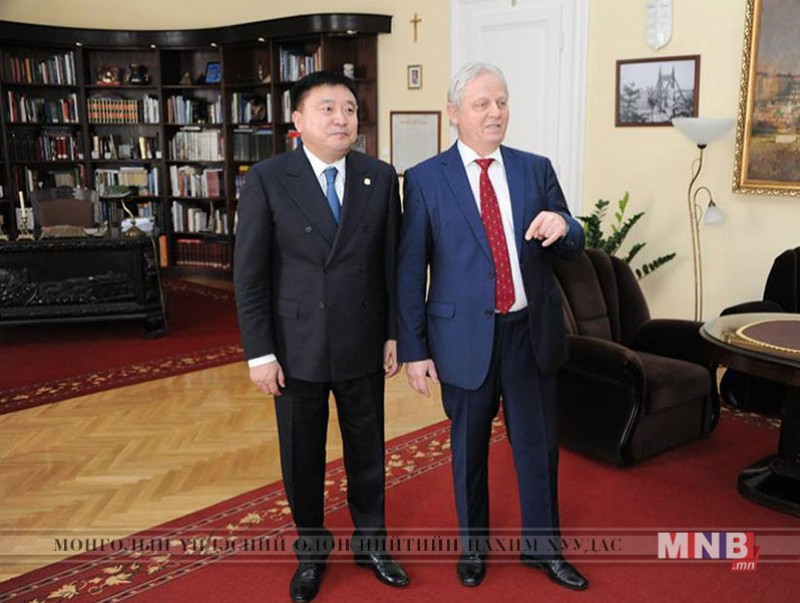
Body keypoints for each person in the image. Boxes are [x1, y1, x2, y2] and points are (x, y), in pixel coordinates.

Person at [396, 62, 588, 591]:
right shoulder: (425, 179)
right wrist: (415, 350)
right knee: (469, 452)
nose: (495, 112)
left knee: (538, 447)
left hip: (529, 333)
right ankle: (473, 549)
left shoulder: (535, 169)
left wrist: (565, 225)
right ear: (454, 113)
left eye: (501, 102)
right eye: (482, 104)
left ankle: (543, 550)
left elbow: (572, 244)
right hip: (462, 339)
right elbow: (410, 271)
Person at [234, 70, 409, 603]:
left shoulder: (379, 177)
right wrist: (260, 354)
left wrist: (394, 334)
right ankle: (311, 551)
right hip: (295, 349)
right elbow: (250, 275)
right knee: (302, 457)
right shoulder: (268, 179)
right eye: (328, 108)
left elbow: (391, 265)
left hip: (362, 340)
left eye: (350, 109)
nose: (341, 119)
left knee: (368, 453)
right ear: (298, 120)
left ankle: (371, 543)